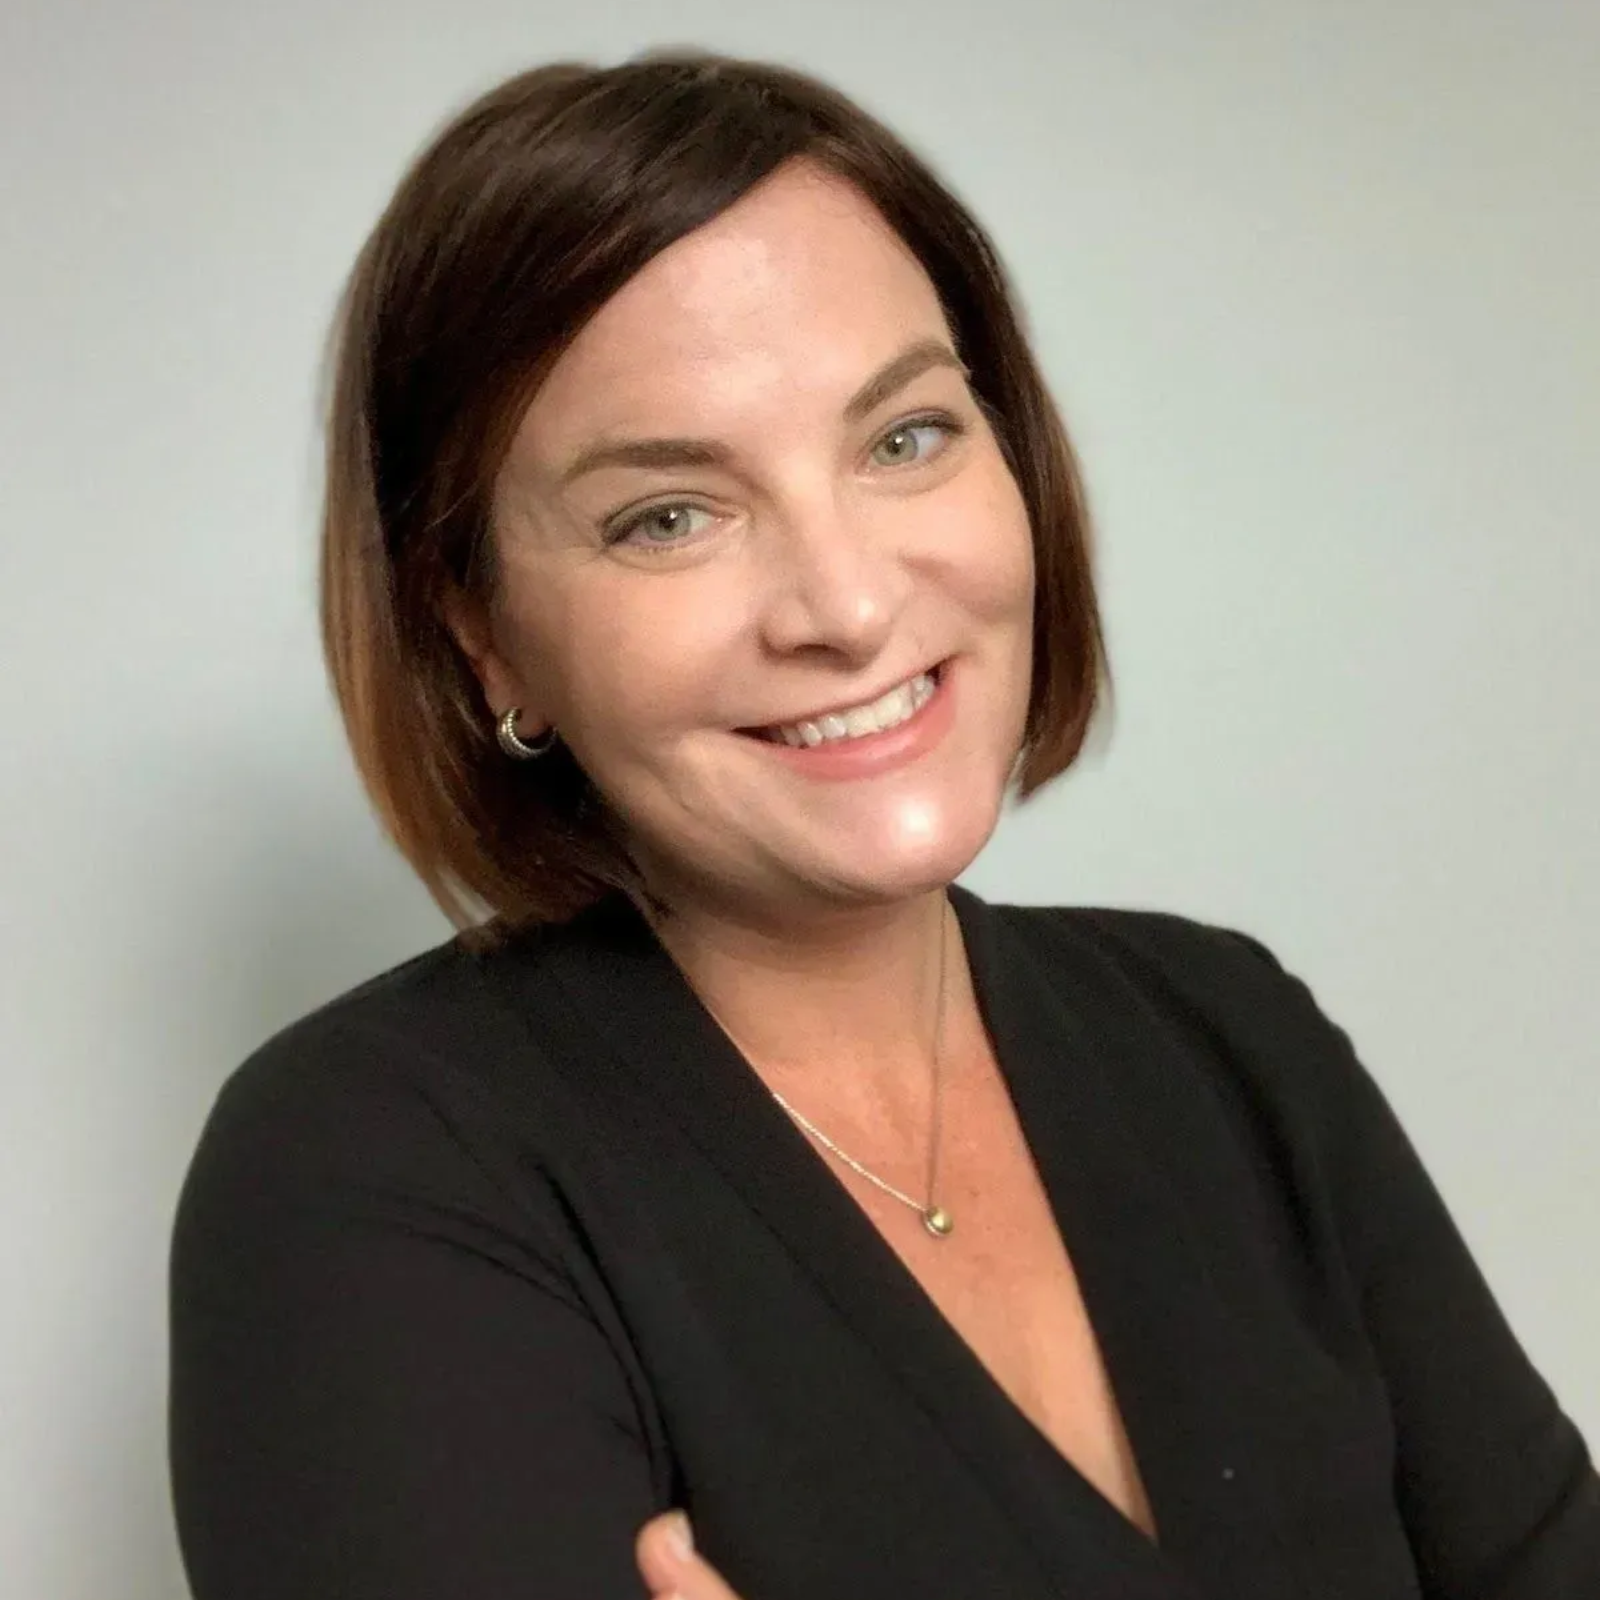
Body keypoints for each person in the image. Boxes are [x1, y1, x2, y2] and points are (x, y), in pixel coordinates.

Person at [166, 47, 1600, 1600]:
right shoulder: (367, 1174)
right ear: (484, 638)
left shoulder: (1232, 1040)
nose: (848, 606)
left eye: (905, 437)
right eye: (669, 514)